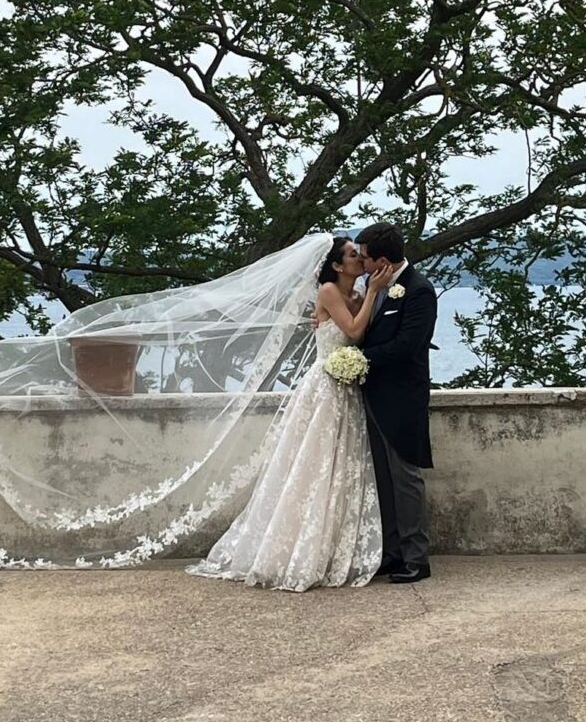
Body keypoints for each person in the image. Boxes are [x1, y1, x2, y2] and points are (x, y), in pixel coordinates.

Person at [187, 237, 394, 591]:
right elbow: (355, 330)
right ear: (336, 266)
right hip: (325, 389)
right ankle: (294, 550)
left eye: (359, 254)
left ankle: (331, 547)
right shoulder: (329, 291)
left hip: (349, 389)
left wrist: (370, 294)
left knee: (341, 467)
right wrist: (374, 292)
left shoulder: (358, 296)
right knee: (311, 465)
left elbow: (364, 335)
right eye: (351, 255)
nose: (359, 259)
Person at [353, 223, 438, 584]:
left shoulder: (419, 290)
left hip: (403, 397)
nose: (360, 262)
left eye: (364, 257)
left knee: (405, 477)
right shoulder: (372, 289)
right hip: (373, 395)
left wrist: (359, 359)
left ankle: (417, 558)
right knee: (382, 479)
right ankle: (391, 553)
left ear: (382, 260)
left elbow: (407, 345)